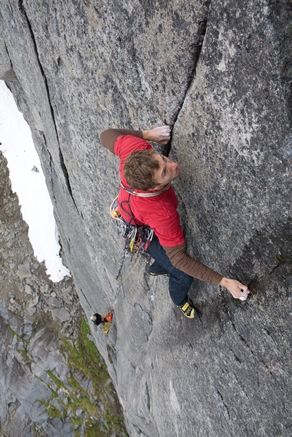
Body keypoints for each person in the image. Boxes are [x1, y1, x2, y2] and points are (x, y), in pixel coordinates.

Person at [100, 126, 250, 318]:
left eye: (163, 159)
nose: (173, 166)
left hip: (131, 210)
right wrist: (225, 282)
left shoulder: (136, 149)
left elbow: (105, 135)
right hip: (143, 229)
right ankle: (179, 300)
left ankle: (157, 267)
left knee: (166, 259)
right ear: (152, 187)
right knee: (182, 274)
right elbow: (179, 258)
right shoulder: (161, 213)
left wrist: (146, 135)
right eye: (164, 173)